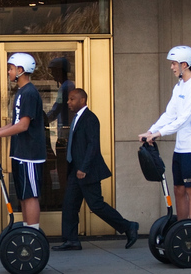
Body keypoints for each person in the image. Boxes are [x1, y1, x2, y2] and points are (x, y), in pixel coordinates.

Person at [53, 88, 139, 251]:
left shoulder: (90, 119)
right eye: (69, 99)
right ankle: (71, 240)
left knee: (96, 205)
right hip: (75, 170)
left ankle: (129, 226)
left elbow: (93, 145)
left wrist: (83, 168)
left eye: (72, 99)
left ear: (82, 100)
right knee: (70, 205)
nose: (68, 102)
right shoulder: (77, 118)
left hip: (86, 171)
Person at [139, 46, 191, 221]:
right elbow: (170, 114)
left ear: (185, 64)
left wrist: (159, 134)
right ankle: (181, 227)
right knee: (178, 189)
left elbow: (184, 118)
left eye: (174, 63)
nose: (172, 67)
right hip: (181, 148)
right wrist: (151, 130)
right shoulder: (179, 87)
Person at [0, 53, 46, 229]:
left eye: (11, 68)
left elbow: (23, 125)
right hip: (21, 152)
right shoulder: (22, 92)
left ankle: (33, 234)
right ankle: (27, 231)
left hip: (30, 154)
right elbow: (16, 122)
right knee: (23, 195)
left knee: (30, 195)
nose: (8, 71)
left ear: (21, 70)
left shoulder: (29, 92)